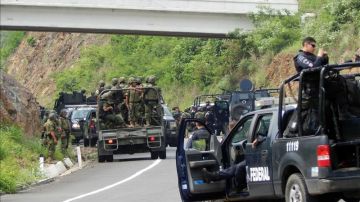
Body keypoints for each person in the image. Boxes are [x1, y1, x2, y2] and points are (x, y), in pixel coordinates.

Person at [201, 132, 266, 189]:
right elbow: (264, 134)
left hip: (263, 160)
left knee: (239, 167)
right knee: (235, 167)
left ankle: (240, 187)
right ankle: (213, 176)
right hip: (258, 158)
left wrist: (257, 140)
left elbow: (265, 136)